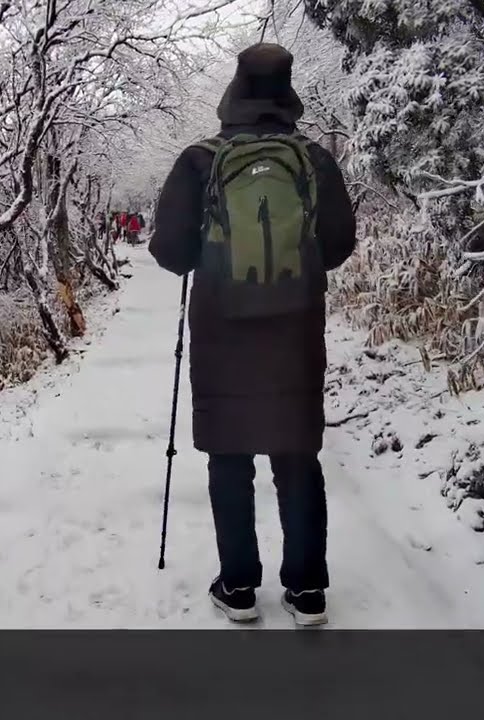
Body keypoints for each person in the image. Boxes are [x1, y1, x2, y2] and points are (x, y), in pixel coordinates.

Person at [148, 43, 357, 626]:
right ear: (289, 94)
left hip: (222, 334)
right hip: (293, 334)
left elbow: (170, 252)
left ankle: (239, 586)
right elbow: (339, 246)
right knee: (296, 456)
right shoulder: (313, 158)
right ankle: (307, 590)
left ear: (233, 91)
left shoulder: (200, 159)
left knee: (229, 458)